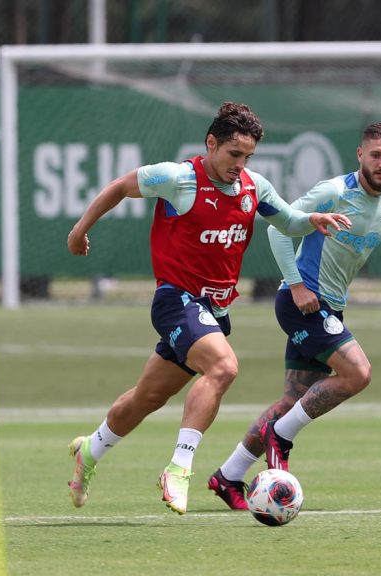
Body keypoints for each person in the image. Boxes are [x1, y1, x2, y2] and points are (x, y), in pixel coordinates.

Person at [65, 102, 351, 515]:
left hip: (213, 310)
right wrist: (79, 230)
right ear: (211, 143)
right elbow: (119, 187)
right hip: (175, 299)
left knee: (148, 396)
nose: (241, 164)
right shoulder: (179, 178)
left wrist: (314, 219)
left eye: (248, 156)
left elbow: (287, 221)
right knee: (224, 367)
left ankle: (89, 452)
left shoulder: (254, 187)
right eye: (234, 154)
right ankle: (179, 468)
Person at [207, 122, 381, 510]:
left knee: (291, 401)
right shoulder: (334, 192)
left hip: (330, 306)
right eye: (377, 155)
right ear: (360, 155)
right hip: (303, 303)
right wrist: (296, 284)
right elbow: (277, 231)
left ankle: (228, 475)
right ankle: (280, 439)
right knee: (357, 373)